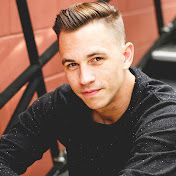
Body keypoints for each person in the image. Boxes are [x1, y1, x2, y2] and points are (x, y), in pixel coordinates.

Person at [1, 1, 176, 176]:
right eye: (72, 64)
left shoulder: (165, 115)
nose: (84, 79)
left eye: (97, 59)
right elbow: (5, 156)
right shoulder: (63, 102)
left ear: (125, 56)